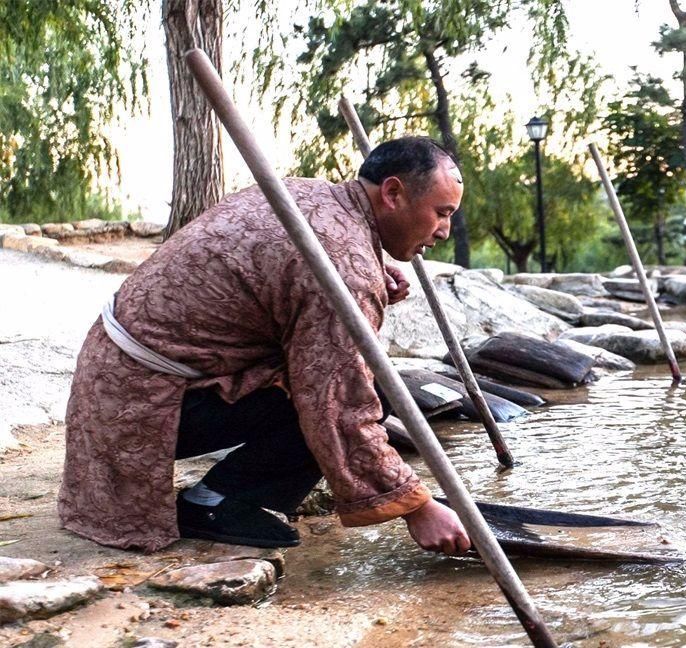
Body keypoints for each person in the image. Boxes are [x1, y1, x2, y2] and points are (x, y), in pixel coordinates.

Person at [59, 136, 473, 555]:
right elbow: (339, 405)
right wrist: (417, 506)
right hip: (143, 404)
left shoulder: (307, 193)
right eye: (442, 213)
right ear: (393, 192)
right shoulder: (343, 273)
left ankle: (224, 493)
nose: (444, 231)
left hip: (110, 380)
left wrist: (371, 260)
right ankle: (212, 502)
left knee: (350, 383)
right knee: (356, 395)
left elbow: (287, 258)